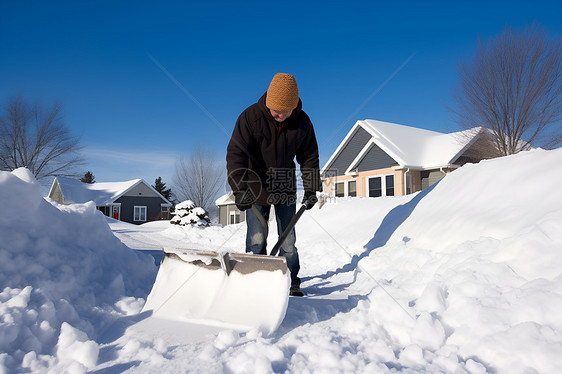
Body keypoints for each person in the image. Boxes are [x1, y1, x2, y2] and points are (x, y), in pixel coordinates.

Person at [226, 73, 322, 297]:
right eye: (275, 110)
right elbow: (236, 154)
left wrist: (310, 188)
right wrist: (239, 189)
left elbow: (309, 158)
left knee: (288, 240)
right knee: (256, 238)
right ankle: (253, 279)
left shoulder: (303, 122)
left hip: (284, 185)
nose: (279, 115)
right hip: (255, 186)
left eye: (285, 111)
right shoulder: (250, 118)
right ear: (268, 102)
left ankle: (291, 281)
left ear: (294, 106)